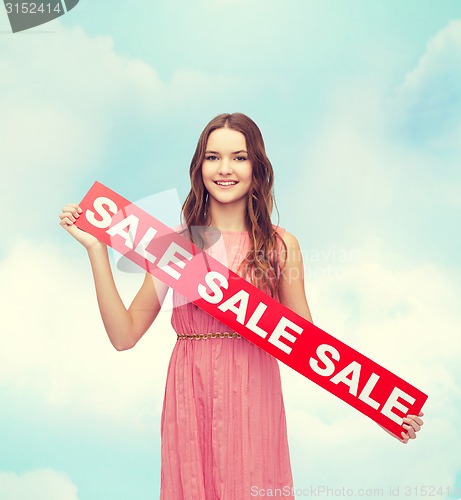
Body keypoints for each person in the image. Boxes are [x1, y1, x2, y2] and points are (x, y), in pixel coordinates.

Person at [59, 113, 424, 499]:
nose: (225, 169)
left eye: (239, 157)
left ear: (257, 168)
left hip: (253, 392)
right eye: (213, 157)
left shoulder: (282, 247)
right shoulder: (174, 247)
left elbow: (313, 348)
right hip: (190, 392)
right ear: (199, 168)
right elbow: (124, 335)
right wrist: (96, 250)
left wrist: (381, 408)